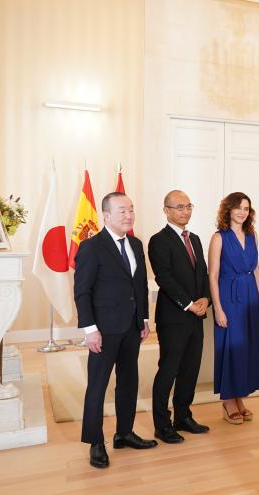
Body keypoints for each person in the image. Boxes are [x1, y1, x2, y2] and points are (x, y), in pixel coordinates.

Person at [74, 192, 156, 469]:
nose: (129, 215)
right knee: (97, 385)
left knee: (129, 381)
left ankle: (124, 433)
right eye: (122, 211)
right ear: (106, 216)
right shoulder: (91, 247)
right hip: (104, 329)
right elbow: (82, 292)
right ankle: (95, 442)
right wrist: (90, 330)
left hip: (132, 326)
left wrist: (143, 319)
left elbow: (140, 285)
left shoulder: (136, 243)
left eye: (131, 210)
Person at [147, 190, 211, 444]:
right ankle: (162, 425)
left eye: (189, 206)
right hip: (174, 317)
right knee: (169, 371)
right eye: (179, 207)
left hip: (197, 315)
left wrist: (205, 298)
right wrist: (188, 304)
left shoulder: (194, 238)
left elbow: (202, 273)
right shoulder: (158, 240)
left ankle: (183, 416)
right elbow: (164, 278)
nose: (186, 211)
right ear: (166, 210)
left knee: (190, 370)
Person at [208, 192, 259, 424]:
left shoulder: (252, 235)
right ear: (228, 210)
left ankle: (240, 397)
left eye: (247, 208)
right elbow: (212, 276)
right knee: (231, 347)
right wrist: (218, 310)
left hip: (250, 296)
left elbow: (255, 268)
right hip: (229, 298)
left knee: (247, 348)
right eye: (239, 207)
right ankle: (228, 401)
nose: (243, 212)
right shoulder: (219, 238)